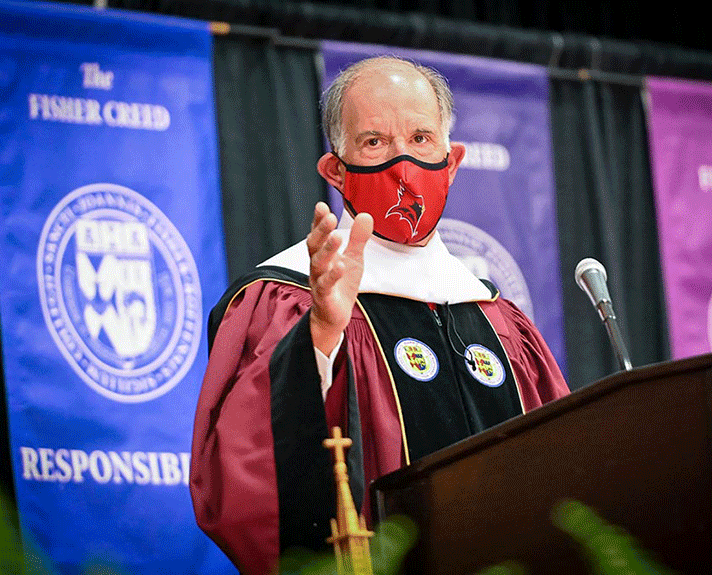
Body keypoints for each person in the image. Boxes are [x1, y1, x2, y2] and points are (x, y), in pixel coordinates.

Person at [190, 56, 569, 575]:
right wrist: (319, 338)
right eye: (374, 142)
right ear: (336, 171)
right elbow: (242, 481)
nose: (403, 162)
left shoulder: (495, 315)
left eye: (420, 139)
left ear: (452, 162)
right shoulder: (289, 297)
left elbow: (568, 470)